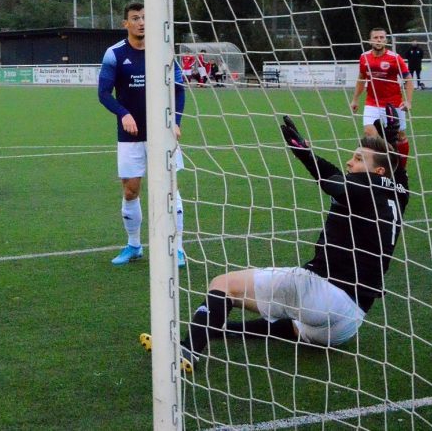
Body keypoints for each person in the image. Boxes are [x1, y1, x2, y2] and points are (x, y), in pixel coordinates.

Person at [145, 109, 409, 371]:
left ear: (379, 170)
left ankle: (188, 350)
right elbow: (389, 173)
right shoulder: (399, 193)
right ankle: (220, 329)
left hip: (324, 293)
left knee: (223, 285)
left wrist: (303, 153)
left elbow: (332, 183)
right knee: (292, 323)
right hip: (347, 324)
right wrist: (394, 143)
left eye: (359, 159)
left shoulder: (363, 187)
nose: (350, 163)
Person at [98, 2, 187, 267]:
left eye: (145, 18)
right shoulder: (114, 54)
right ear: (126, 23)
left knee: (171, 188)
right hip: (130, 136)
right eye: (135, 18)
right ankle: (134, 246)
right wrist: (123, 113)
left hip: (162, 133)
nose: (141, 22)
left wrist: (176, 120)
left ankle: (177, 248)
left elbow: (179, 90)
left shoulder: (164, 50)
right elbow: (103, 93)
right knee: (130, 191)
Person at [350, 27, 413, 167]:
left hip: (394, 104)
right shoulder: (364, 57)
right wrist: (355, 99)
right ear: (370, 40)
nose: (379, 40)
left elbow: (408, 79)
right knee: (369, 133)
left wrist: (408, 101)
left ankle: (401, 169)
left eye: (381, 37)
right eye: (376, 37)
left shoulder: (395, 58)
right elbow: (361, 78)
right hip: (372, 102)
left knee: (400, 135)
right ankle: (385, 161)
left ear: (386, 40)